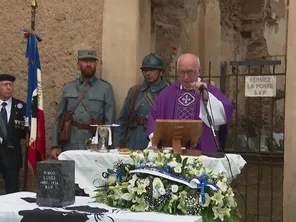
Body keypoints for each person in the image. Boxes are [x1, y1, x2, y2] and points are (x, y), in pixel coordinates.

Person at [146, 53, 234, 152]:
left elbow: (225, 111)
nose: (186, 77)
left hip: (201, 151)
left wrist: (207, 98)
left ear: (199, 71)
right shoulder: (167, 94)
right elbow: (154, 117)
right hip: (171, 151)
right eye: (182, 72)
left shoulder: (209, 91)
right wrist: (155, 137)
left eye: (190, 72)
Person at [50, 49, 116, 159]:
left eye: (92, 61)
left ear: (96, 64)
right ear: (78, 64)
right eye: (85, 61)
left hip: (94, 144)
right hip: (70, 144)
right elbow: (58, 117)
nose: (89, 64)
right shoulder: (69, 87)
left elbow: (110, 121)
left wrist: (102, 145)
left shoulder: (105, 88)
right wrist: (55, 145)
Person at [113, 53, 169, 150]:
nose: (148, 73)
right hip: (132, 143)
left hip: (156, 145)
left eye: (152, 70)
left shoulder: (168, 92)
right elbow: (122, 119)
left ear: (160, 71)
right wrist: (117, 144)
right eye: (145, 70)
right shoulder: (135, 91)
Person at [0, 74, 26, 193]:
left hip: (11, 155)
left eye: (11, 85)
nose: (9, 87)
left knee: (12, 190)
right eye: (5, 85)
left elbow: (24, 131)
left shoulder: (21, 107)